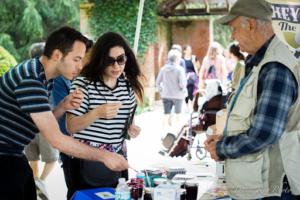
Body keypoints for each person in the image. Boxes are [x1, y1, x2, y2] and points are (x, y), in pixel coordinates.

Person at [0, 26, 129, 200]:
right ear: (57, 55)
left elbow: (42, 125)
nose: (80, 66)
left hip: (14, 154)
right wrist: (104, 155)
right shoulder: (30, 79)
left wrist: (62, 106)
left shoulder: (43, 76)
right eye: (76, 59)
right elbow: (56, 139)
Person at [204, 0, 300, 199]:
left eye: (233, 29)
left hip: (274, 188)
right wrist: (226, 138)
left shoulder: (275, 67)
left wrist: (222, 148)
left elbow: (265, 134)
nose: (232, 37)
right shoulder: (263, 62)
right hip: (264, 183)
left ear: (251, 26)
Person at [66, 32, 144, 194]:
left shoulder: (127, 86)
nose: (116, 66)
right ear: (100, 60)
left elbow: (128, 124)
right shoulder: (83, 84)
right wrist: (97, 112)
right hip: (87, 162)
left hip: (118, 160)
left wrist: (132, 130)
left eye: (121, 59)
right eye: (110, 61)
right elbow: (71, 127)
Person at [51, 38, 94, 200]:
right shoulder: (61, 79)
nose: (83, 63)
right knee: (76, 191)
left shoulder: (96, 78)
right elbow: (65, 109)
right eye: (79, 58)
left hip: (94, 145)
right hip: (70, 144)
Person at [24, 42, 58, 200]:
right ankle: (40, 182)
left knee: (33, 159)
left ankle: (34, 185)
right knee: (52, 159)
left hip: (28, 126)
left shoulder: (26, 73)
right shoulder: (48, 77)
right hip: (44, 126)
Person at [156, 49, 187, 140]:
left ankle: (162, 133)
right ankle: (177, 133)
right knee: (178, 114)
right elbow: (182, 84)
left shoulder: (163, 69)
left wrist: (162, 91)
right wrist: (183, 90)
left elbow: (157, 82)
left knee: (166, 114)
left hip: (166, 95)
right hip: (178, 95)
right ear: (176, 59)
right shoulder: (180, 69)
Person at [182, 45, 201, 111]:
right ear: (184, 51)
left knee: (191, 90)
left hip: (192, 78)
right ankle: (187, 105)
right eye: (188, 49)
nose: (189, 51)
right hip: (185, 77)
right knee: (186, 90)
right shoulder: (182, 59)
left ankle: (192, 104)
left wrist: (194, 63)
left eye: (190, 49)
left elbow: (198, 67)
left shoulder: (194, 58)